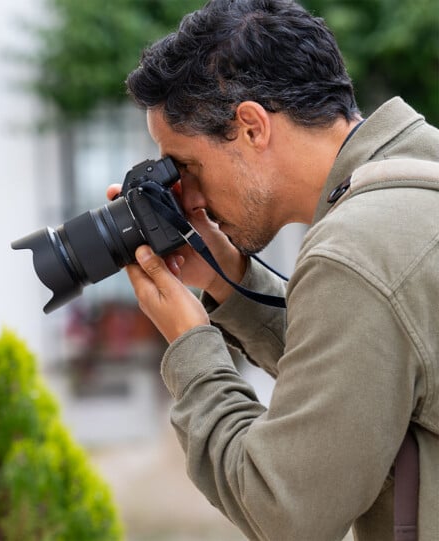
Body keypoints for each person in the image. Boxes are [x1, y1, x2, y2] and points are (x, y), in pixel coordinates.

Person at [108, 0, 439, 539]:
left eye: (186, 166)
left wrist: (192, 344)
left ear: (252, 127)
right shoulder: (417, 188)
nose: (185, 196)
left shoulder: (357, 251)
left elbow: (285, 509)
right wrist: (226, 279)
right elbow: (363, 380)